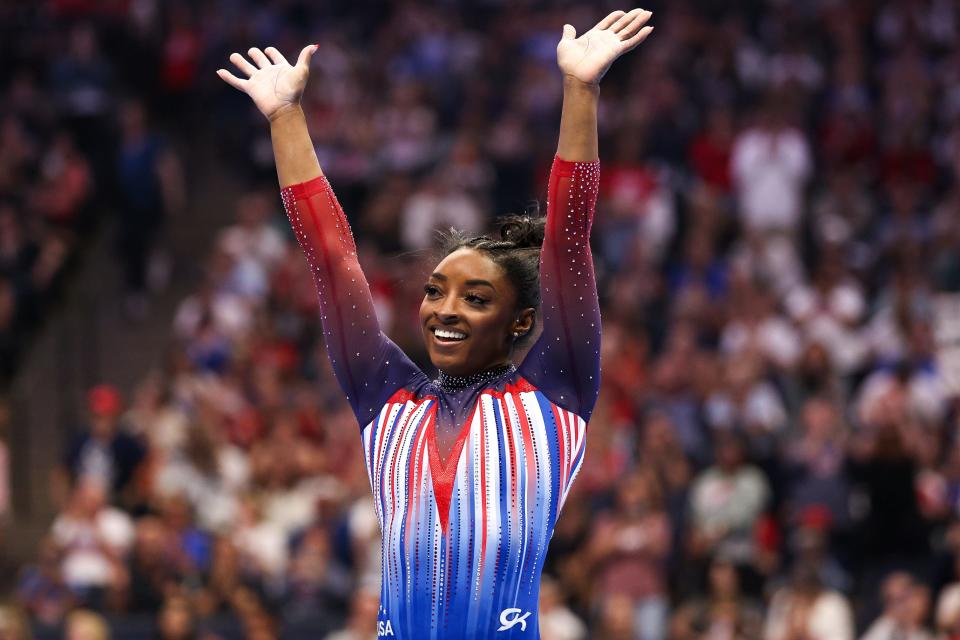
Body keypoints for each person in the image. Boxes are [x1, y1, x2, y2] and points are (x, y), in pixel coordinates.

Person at [217, 8, 654, 637]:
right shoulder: (385, 398)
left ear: (521, 320)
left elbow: (568, 238)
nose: (445, 310)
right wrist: (286, 118)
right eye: (435, 292)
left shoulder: (555, 391)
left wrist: (580, 92)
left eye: (476, 298)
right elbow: (332, 260)